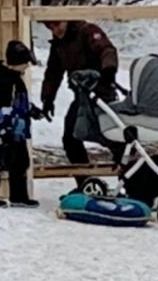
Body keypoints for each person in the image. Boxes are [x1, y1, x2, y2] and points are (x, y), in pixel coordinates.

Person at [39, 20, 120, 169]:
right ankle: (84, 181)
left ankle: (130, 172)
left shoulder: (87, 31)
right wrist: (48, 98)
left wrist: (108, 71)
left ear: (66, 21)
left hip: (102, 93)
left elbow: (107, 50)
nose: (55, 30)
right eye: (50, 27)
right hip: (82, 96)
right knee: (70, 138)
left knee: (112, 136)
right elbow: (53, 73)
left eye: (57, 25)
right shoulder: (58, 45)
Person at [0, 40, 45, 208]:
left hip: (18, 128)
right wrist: (4, 130)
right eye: (25, 63)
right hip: (7, 129)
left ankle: (19, 196)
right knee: (0, 160)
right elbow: (2, 108)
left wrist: (31, 110)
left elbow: (18, 103)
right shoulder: (5, 81)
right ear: (17, 63)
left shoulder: (15, 79)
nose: (27, 66)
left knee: (20, 161)